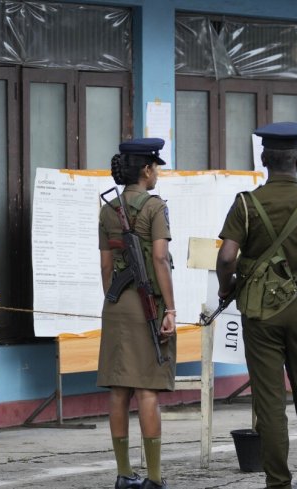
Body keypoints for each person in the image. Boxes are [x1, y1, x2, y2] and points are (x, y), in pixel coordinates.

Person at [216, 122, 297, 489]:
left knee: (270, 402)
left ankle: (278, 482)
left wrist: (228, 287)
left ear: (264, 159)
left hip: (260, 313)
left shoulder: (246, 204)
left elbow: (226, 257)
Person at [97, 138, 177, 489]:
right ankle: (155, 478)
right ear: (146, 170)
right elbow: (160, 259)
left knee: (119, 390)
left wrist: (113, 299)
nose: (157, 172)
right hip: (148, 304)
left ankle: (123, 473)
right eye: (155, 166)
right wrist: (170, 308)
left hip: (116, 303)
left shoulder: (108, 209)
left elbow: (104, 266)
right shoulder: (155, 208)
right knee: (147, 391)